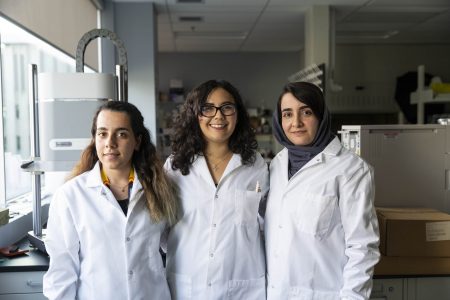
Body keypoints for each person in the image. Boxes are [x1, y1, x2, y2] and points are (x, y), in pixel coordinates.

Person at [43, 101, 178, 300]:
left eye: (121, 134)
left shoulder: (160, 189)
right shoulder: (70, 196)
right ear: (95, 139)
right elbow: (62, 271)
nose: (110, 143)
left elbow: (176, 245)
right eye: (102, 133)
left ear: (137, 141)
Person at [265, 81, 380, 300]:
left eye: (306, 112)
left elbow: (363, 247)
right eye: (287, 114)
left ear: (320, 115)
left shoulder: (351, 169)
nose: (296, 122)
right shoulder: (277, 165)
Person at [163, 80, 269, 299]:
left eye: (227, 108)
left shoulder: (255, 165)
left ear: (237, 114)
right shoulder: (175, 165)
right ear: (195, 115)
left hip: (242, 287)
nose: (218, 116)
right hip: (187, 285)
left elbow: (267, 224)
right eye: (208, 108)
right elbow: (161, 228)